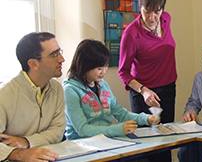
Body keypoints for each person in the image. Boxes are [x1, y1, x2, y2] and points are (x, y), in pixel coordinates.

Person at [118, 0, 177, 161]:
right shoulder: (131, 34)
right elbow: (124, 72)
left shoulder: (166, 19)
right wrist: (143, 91)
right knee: (148, 146)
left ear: (162, 9)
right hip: (144, 93)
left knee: (166, 139)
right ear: (140, 7)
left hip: (167, 89)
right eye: (147, 11)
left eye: (157, 11)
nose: (152, 17)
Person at [63, 39, 160, 140]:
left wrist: (146, 119)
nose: (104, 72)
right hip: (81, 145)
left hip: (106, 141)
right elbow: (83, 130)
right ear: (84, 66)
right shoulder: (70, 90)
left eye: (106, 66)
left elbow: (121, 114)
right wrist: (118, 129)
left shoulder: (102, 85)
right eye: (99, 69)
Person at [0, 32, 66, 161]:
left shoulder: (56, 89)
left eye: (59, 52)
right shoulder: (4, 94)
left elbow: (58, 130)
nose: (62, 59)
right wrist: (18, 154)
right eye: (54, 55)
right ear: (33, 64)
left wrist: (27, 142)